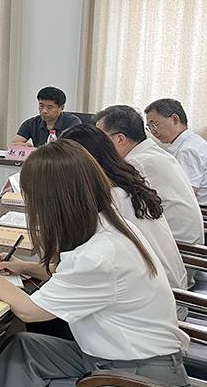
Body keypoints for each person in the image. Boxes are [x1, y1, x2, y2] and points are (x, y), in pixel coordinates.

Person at [0, 140, 197, 387]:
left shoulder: (99, 256)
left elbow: (29, 310)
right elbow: (79, 278)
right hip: (121, 367)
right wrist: (26, 267)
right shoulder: (109, 226)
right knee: (23, 348)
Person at [61, 123, 188, 298]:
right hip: (165, 286)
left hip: (154, 294)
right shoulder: (127, 184)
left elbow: (81, 263)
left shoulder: (111, 198)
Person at [95, 105, 203, 245]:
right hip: (183, 240)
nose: (98, 145)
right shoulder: (151, 153)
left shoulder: (136, 163)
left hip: (180, 246)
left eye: (101, 139)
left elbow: (113, 206)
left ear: (120, 139)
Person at [145, 98, 207, 206]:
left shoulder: (187, 150)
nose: (153, 131)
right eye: (149, 127)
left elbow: (186, 195)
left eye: (154, 124)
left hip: (200, 211)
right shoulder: (191, 142)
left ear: (174, 119)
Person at [10, 86, 80, 147]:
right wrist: (22, 146)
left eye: (50, 107)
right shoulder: (31, 123)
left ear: (61, 108)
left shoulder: (72, 122)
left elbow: (73, 148)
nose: (44, 111)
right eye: (41, 106)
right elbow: (13, 144)